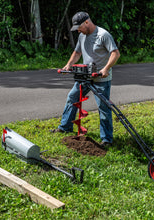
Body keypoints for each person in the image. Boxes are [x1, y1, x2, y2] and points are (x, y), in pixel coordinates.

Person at [52, 12, 120, 147]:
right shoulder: (82, 36)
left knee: (103, 108)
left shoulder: (103, 35)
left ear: (87, 23)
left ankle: (106, 139)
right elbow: (77, 52)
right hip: (84, 76)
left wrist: (106, 68)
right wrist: (69, 64)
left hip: (100, 78)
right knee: (72, 98)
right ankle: (65, 127)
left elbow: (115, 53)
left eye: (79, 27)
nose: (78, 30)